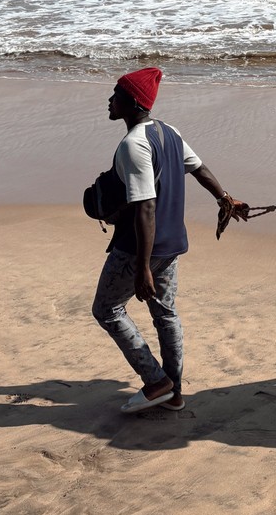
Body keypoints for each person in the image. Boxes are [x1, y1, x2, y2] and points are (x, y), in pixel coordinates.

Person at [91, 67, 248, 414]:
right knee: (166, 314)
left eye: (115, 93)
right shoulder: (170, 132)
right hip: (173, 243)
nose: (109, 99)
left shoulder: (133, 145)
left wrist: (142, 267)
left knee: (107, 309)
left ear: (131, 102)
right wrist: (225, 198)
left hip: (139, 248)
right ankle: (174, 392)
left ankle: (156, 380)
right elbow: (200, 169)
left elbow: (145, 208)